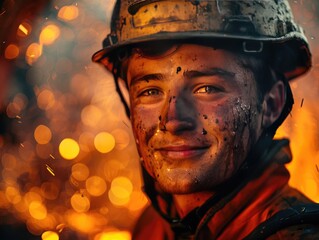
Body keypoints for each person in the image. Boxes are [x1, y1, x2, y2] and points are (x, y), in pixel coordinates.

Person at [93, 0, 319, 239]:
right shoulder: (152, 227)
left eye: (207, 88)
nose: (172, 121)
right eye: (150, 92)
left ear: (271, 104)